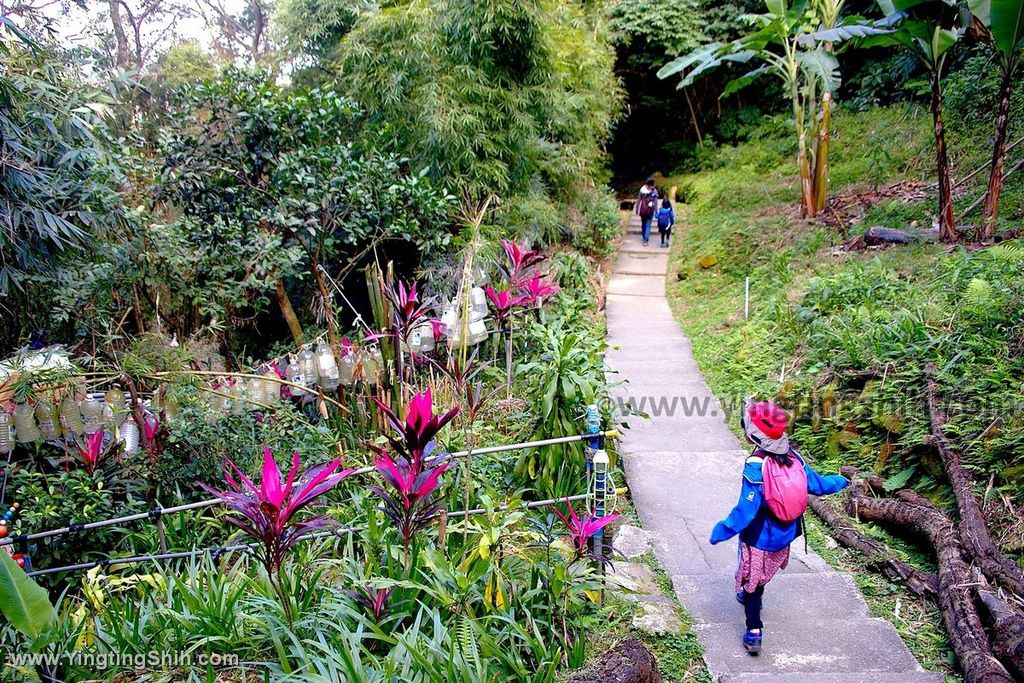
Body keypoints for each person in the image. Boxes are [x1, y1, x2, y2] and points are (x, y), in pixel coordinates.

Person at [710, 400, 848, 656]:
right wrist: (841, 480)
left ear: (752, 434)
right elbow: (819, 484)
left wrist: (723, 530)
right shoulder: (794, 458)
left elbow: (745, 511)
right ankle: (754, 596)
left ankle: (754, 632)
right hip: (785, 536)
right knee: (761, 576)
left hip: (759, 536)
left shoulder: (755, 465)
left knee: (752, 581)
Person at [634, 178, 659, 246]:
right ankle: (645, 240)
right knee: (648, 225)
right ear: (651, 184)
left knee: (643, 224)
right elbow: (655, 203)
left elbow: (639, 200)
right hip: (650, 211)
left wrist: (637, 210)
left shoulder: (642, 190)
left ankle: (644, 236)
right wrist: (656, 211)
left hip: (642, 210)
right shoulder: (654, 192)